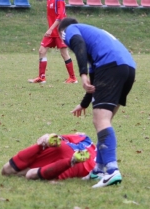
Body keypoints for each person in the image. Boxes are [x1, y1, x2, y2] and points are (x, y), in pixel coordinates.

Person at [58, 18, 136, 188]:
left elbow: (77, 43)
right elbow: (95, 79)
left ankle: (111, 171)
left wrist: (82, 75)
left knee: (100, 121)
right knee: (104, 121)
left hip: (111, 66)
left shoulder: (69, 29)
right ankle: (99, 169)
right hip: (127, 67)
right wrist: (84, 103)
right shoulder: (95, 38)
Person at [28, 0, 77, 84]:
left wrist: (51, 29)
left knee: (64, 54)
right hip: (51, 32)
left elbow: (60, 17)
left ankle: (73, 78)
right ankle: (42, 78)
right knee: (41, 51)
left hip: (59, 31)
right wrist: (50, 29)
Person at [1, 133, 96, 180]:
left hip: (62, 147)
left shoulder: (85, 138)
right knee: (30, 174)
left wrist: (47, 137)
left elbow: (59, 138)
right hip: (81, 164)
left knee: (6, 170)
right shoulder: (101, 162)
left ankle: (42, 145)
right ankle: (71, 161)